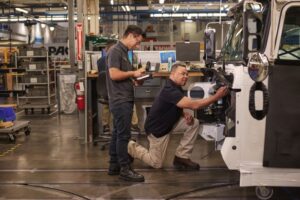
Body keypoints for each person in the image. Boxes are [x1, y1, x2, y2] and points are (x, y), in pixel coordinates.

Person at [128, 63, 228, 171]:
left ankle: (181, 157)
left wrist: (183, 114)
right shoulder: (170, 90)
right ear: (172, 74)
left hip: (170, 123)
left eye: (187, 74)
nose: (186, 76)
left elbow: (174, 105)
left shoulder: (176, 87)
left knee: (193, 123)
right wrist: (217, 96)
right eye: (182, 74)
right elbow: (195, 105)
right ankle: (129, 146)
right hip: (158, 130)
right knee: (156, 163)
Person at [106, 25, 145, 182]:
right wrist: (133, 73)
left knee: (117, 132)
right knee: (124, 135)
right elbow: (114, 74)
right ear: (131, 35)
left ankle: (114, 165)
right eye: (137, 42)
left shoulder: (124, 53)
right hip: (120, 99)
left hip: (123, 96)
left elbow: (122, 75)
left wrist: (133, 80)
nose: (138, 45)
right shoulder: (116, 51)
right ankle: (125, 169)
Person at [97, 42, 141, 133]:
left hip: (105, 92)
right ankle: (134, 124)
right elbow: (119, 74)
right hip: (117, 92)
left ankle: (106, 126)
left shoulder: (100, 60)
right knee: (129, 100)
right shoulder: (117, 58)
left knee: (106, 104)